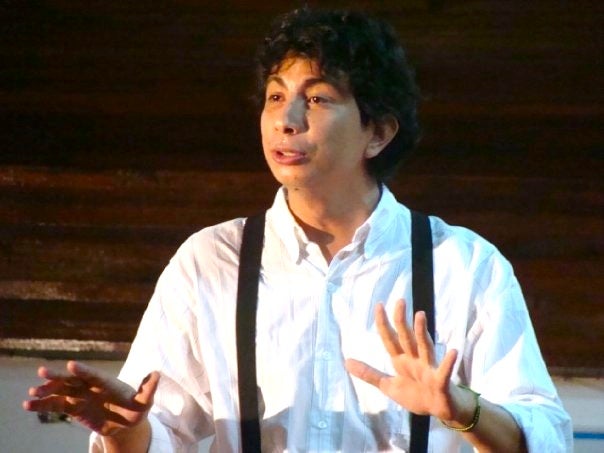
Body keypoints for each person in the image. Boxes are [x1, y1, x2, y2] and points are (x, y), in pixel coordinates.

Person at [23, 7, 572, 452]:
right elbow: (161, 431)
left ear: (378, 132)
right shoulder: (210, 260)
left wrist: (462, 409)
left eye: (316, 98)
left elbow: (546, 435)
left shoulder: (464, 264)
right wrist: (125, 432)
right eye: (276, 96)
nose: (286, 121)